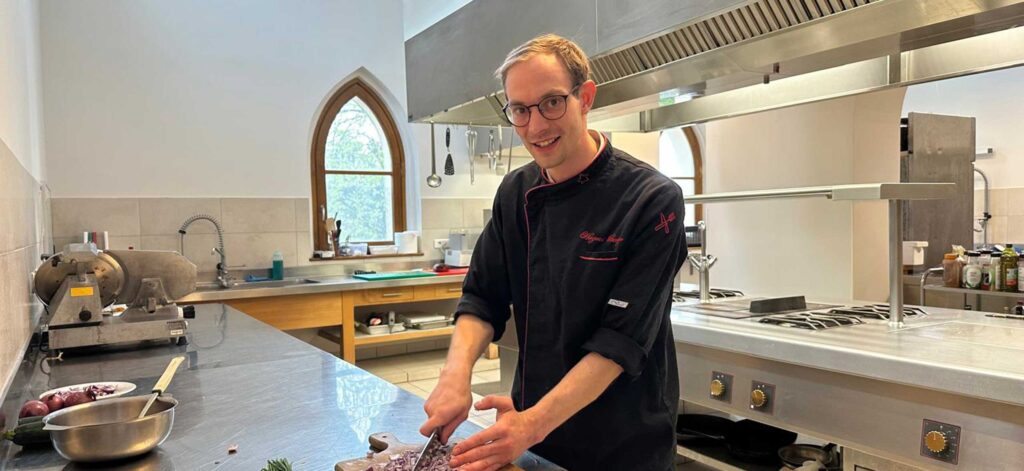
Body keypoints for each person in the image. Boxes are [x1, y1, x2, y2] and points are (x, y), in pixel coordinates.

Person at [419, 33, 687, 471]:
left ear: (585, 98)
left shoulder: (651, 199)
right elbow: (483, 297)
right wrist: (454, 378)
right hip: (538, 438)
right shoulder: (515, 192)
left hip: (624, 447)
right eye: (520, 110)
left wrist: (531, 424)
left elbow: (618, 342)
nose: (536, 126)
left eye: (551, 103)